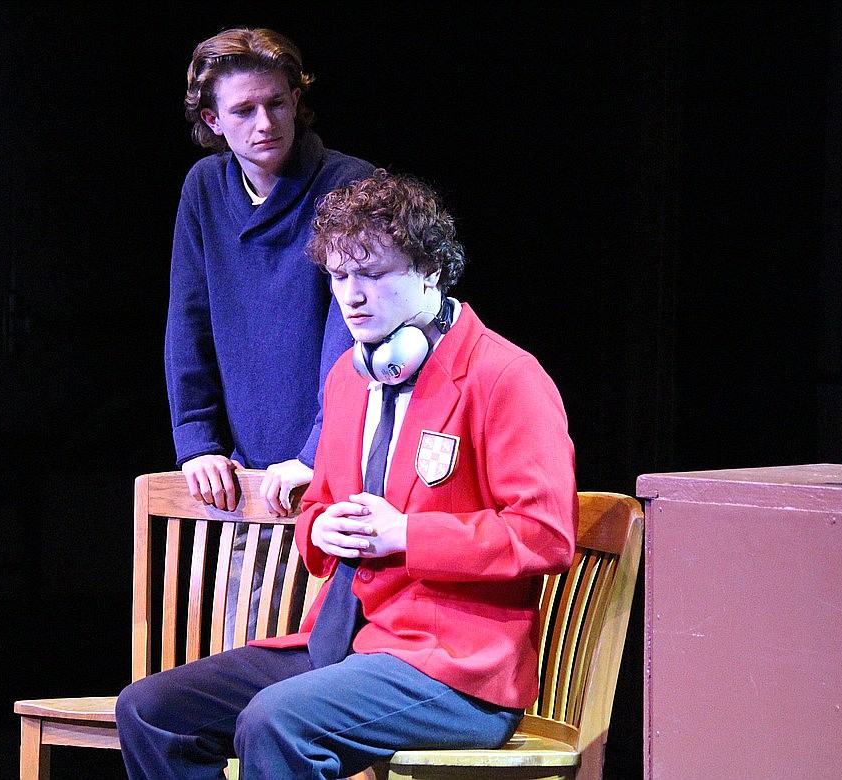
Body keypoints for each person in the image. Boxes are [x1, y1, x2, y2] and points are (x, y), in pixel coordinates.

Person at [117, 169, 578, 779]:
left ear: (431, 272)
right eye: (338, 277)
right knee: (151, 709)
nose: (351, 296)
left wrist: (407, 535)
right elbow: (317, 514)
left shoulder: (504, 378)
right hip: (345, 645)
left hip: (452, 668)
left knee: (276, 719)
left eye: (373, 275)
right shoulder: (349, 379)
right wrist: (324, 528)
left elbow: (544, 535)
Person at [165, 27, 375, 516]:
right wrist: (197, 442)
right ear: (212, 120)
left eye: (277, 104)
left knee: (332, 592)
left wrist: (318, 452)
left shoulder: (348, 185)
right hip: (247, 471)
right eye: (243, 111)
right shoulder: (204, 188)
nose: (266, 123)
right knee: (246, 595)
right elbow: (188, 319)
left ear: (295, 99)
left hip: (338, 465)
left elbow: (354, 330)